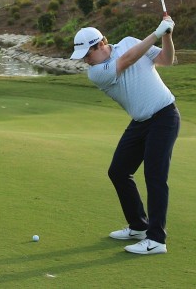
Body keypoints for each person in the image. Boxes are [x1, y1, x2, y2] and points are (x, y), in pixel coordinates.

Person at [70, 17, 178, 256]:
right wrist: (155, 32)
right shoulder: (97, 73)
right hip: (141, 122)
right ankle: (139, 226)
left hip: (164, 117)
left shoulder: (130, 41)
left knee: (155, 176)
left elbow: (166, 60)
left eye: (86, 54)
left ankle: (156, 240)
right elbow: (127, 60)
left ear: (100, 45)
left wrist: (167, 35)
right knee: (118, 171)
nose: (85, 61)